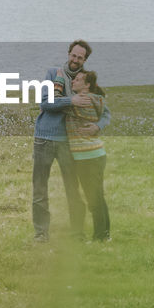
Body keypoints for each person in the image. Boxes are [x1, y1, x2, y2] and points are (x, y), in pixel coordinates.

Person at [31, 40, 110, 241]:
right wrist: (71, 100)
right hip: (44, 138)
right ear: (68, 54)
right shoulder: (53, 73)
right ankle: (41, 234)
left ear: (85, 59)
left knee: (72, 190)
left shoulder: (86, 80)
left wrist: (97, 126)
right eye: (73, 55)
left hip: (68, 143)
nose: (75, 60)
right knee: (40, 188)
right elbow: (45, 102)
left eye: (80, 57)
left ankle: (77, 234)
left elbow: (105, 111)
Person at [66, 69, 110, 241]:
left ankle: (101, 237)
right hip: (95, 154)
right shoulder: (94, 98)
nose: (73, 82)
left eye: (78, 80)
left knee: (94, 199)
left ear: (87, 85)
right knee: (98, 196)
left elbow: (61, 107)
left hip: (87, 157)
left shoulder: (83, 99)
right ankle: (104, 235)